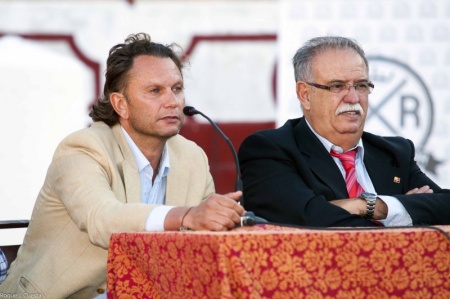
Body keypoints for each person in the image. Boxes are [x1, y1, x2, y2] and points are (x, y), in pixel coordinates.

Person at [0, 33, 245, 298]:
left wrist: (222, 220)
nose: (172, 101)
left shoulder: (192, 157)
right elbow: (102, 219)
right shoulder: (82, 148)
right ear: (121, 104)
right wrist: (185, 215)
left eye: (177, 88)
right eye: (155, 91)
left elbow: (204, 240)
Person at [238, 36, 450, 227]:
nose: (353, 98)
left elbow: (446, 206)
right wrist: (397, 211)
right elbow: (308, 219)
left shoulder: (395, 152)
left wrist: (378, 206)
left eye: (361, 85)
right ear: (305, 94)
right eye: (337, 86)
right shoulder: (270, 150)